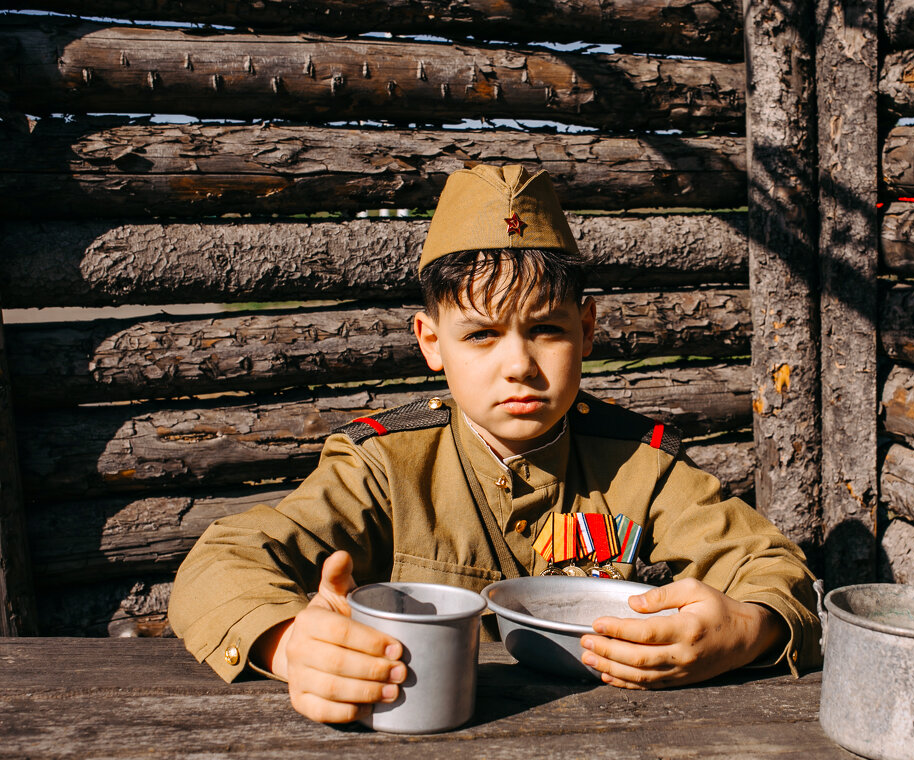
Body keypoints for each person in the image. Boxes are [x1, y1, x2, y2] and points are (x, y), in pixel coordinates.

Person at [168, 164, 821, 724]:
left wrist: (746, 627)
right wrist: (290, 641)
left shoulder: (638, 464)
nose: (519, 365)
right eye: (481, 335)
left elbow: (772, 567)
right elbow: (219, 563)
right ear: (430, 342)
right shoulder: (385, 466)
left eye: (546, 329)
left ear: (587, 329)